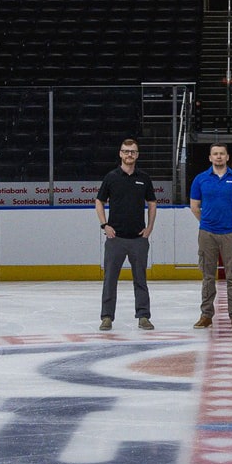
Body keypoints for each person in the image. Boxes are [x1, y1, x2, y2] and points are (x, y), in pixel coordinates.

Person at [95, 137, 159, 331]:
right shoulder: (111, 177)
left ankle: (143, 316)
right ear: (120, 154)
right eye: (126, 151)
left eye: (132, 152)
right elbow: (99, 201)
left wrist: (149, 228)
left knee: (140, 279)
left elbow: (152, 203)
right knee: (110, 279)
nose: (129, 154)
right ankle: (107, 317)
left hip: (138, 239)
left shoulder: (144, 178)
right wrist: (104, 224)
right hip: (116, 239)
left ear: (137, 155)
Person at [185, 143, 232, 330]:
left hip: (231, 233)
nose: (219, 157)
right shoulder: (200, 179)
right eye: (215, 154)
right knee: (208, 277)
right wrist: (207, 222)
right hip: (207, 233)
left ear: (227, 157)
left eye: (222, 154)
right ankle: (206, 315)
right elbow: (194, 207)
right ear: (210, 158)